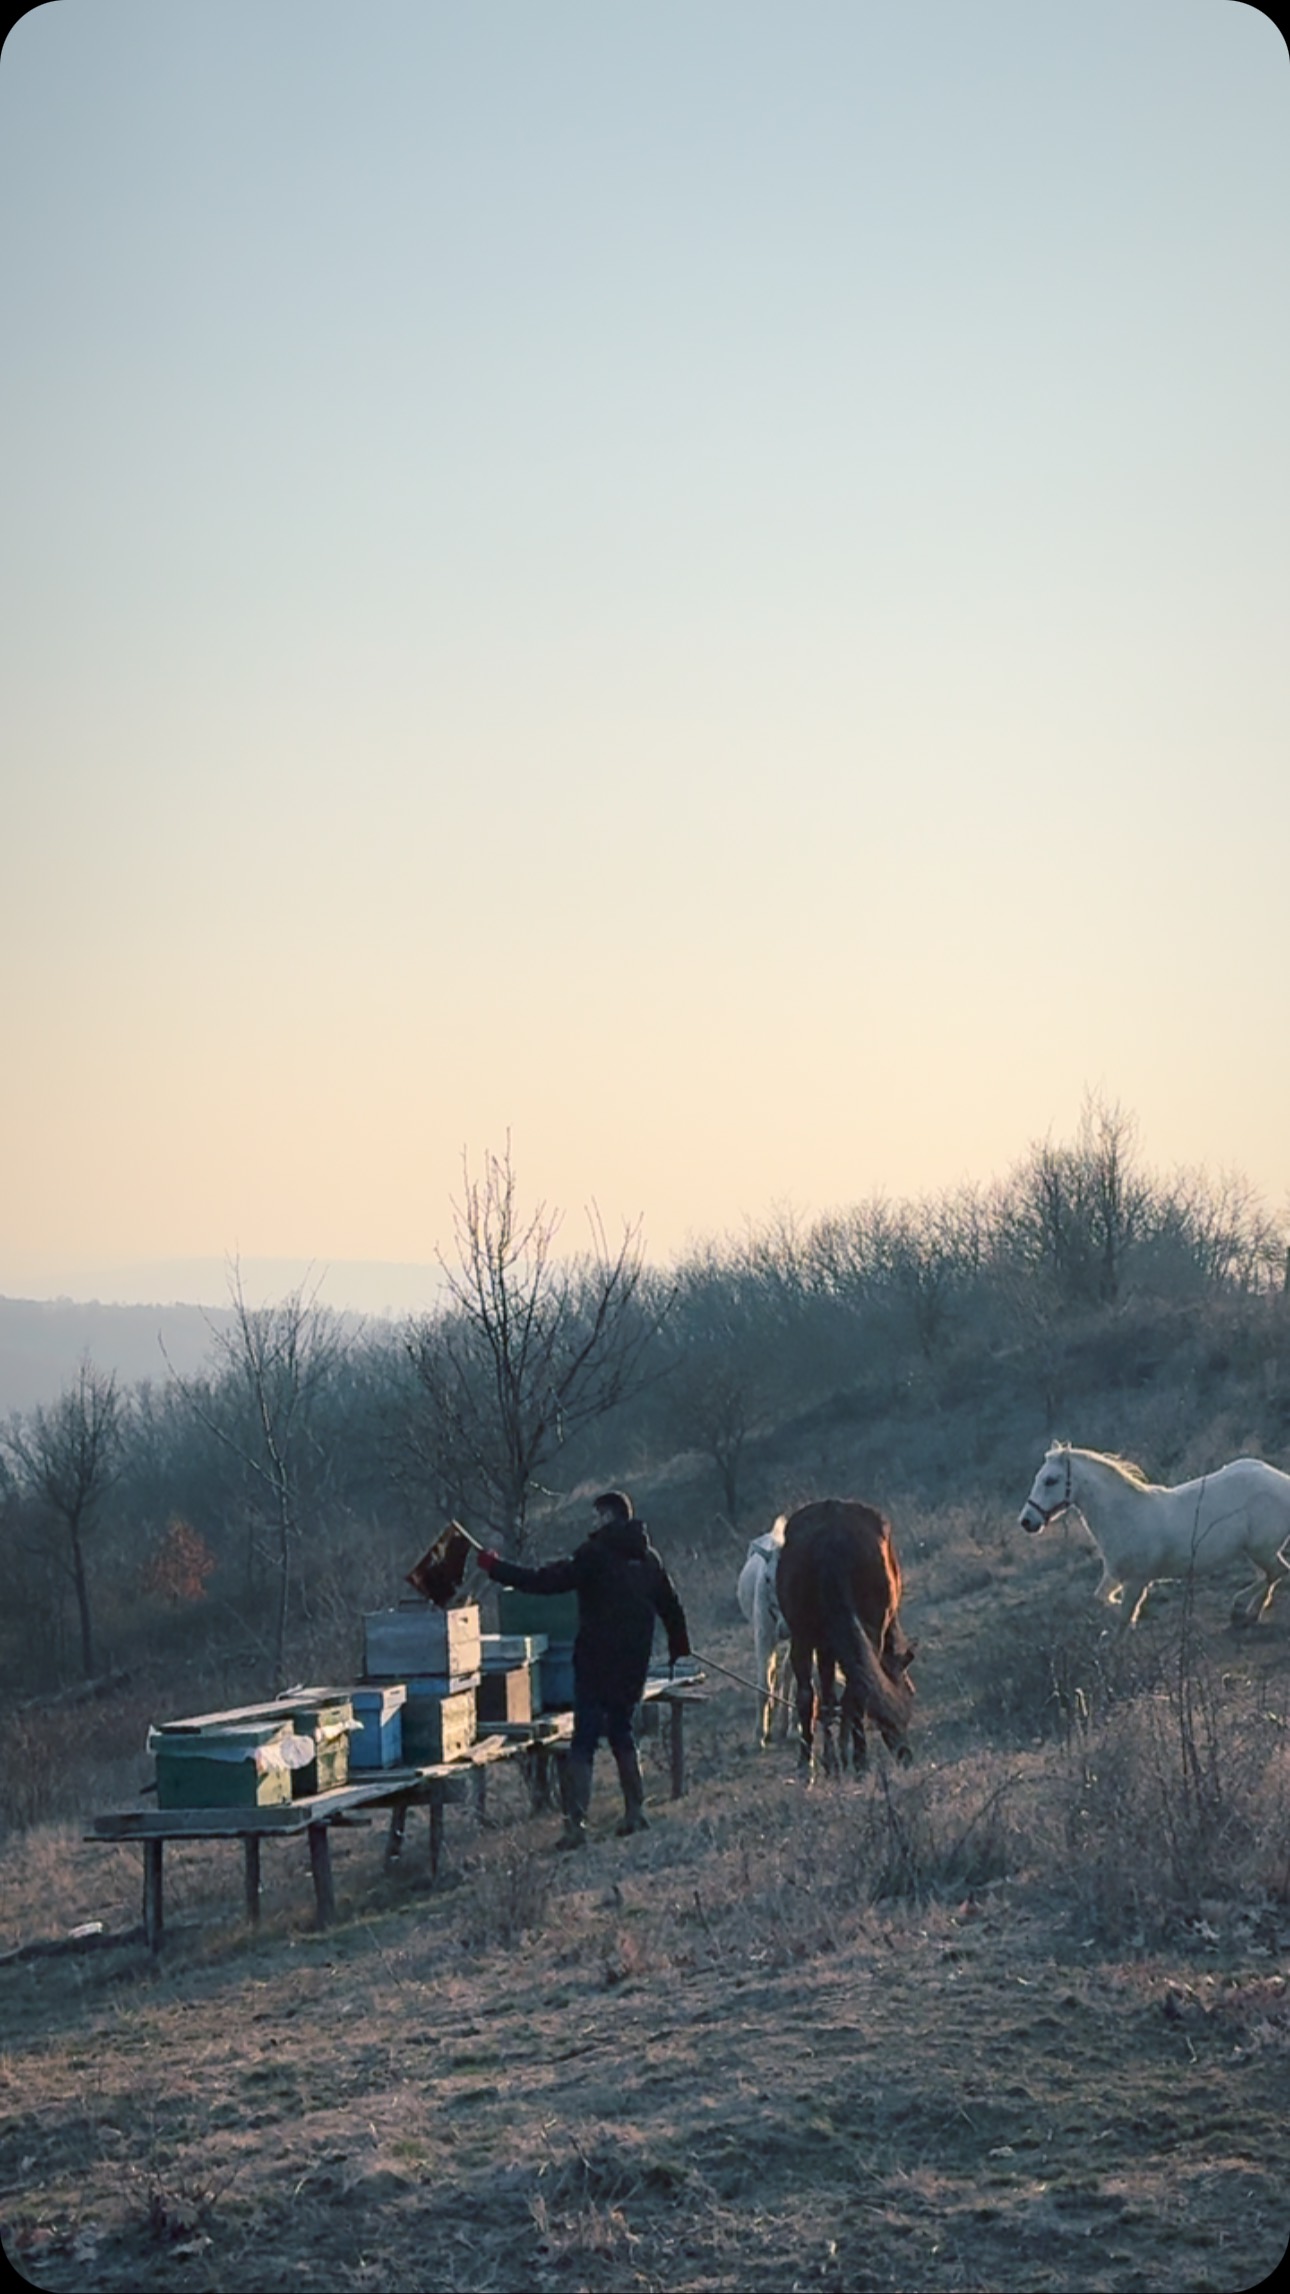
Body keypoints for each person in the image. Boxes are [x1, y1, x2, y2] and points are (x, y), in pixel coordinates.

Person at [476, 1490, 690, 1850]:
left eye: (596, 1516)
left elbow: (545, 1581)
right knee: (622, 1731)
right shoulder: (649, 1558)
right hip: (633, 1662)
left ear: (607, 1517)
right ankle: (635, 1812)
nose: (592, 1524)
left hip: (595, 1661)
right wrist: (679, 1646)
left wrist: (496, 1568)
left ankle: (576, 1826)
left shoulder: (594, 1555)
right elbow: (671, 1605)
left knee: (584, 1740)